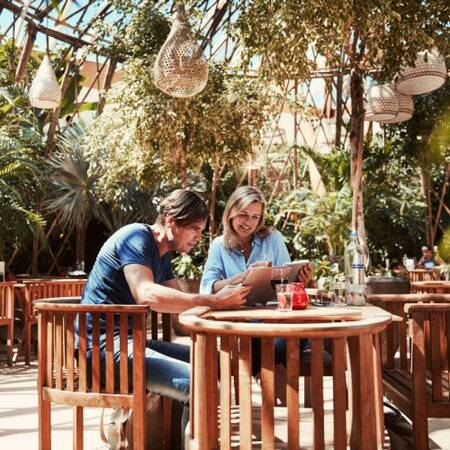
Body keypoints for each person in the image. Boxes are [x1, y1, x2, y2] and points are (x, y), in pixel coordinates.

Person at [79, 189, 250, 444]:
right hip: (101, 349)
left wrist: (228, 294)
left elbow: (183, 306)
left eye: (201, 230)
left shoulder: (163, 254)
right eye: (194, 228)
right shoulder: (135, 237)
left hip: (129, 344)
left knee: (216, 361)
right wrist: (212, 300)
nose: (198, 237)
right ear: (171, 221)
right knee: (198, 383)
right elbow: (146, 293)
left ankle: (180, 441)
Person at [200, 185, 313, 376]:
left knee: (289, 339)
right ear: (230, 213)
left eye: (255, 217)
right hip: (242, 323)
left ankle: (235, 369)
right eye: (243, 214)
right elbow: (207, 289)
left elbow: (286, 280)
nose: (249, 222)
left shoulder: (273, 238)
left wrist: (302, 280)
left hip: (276, 321)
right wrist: (241, 277)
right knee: (261, 342)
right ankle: (241, 370)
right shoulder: (219, 245)